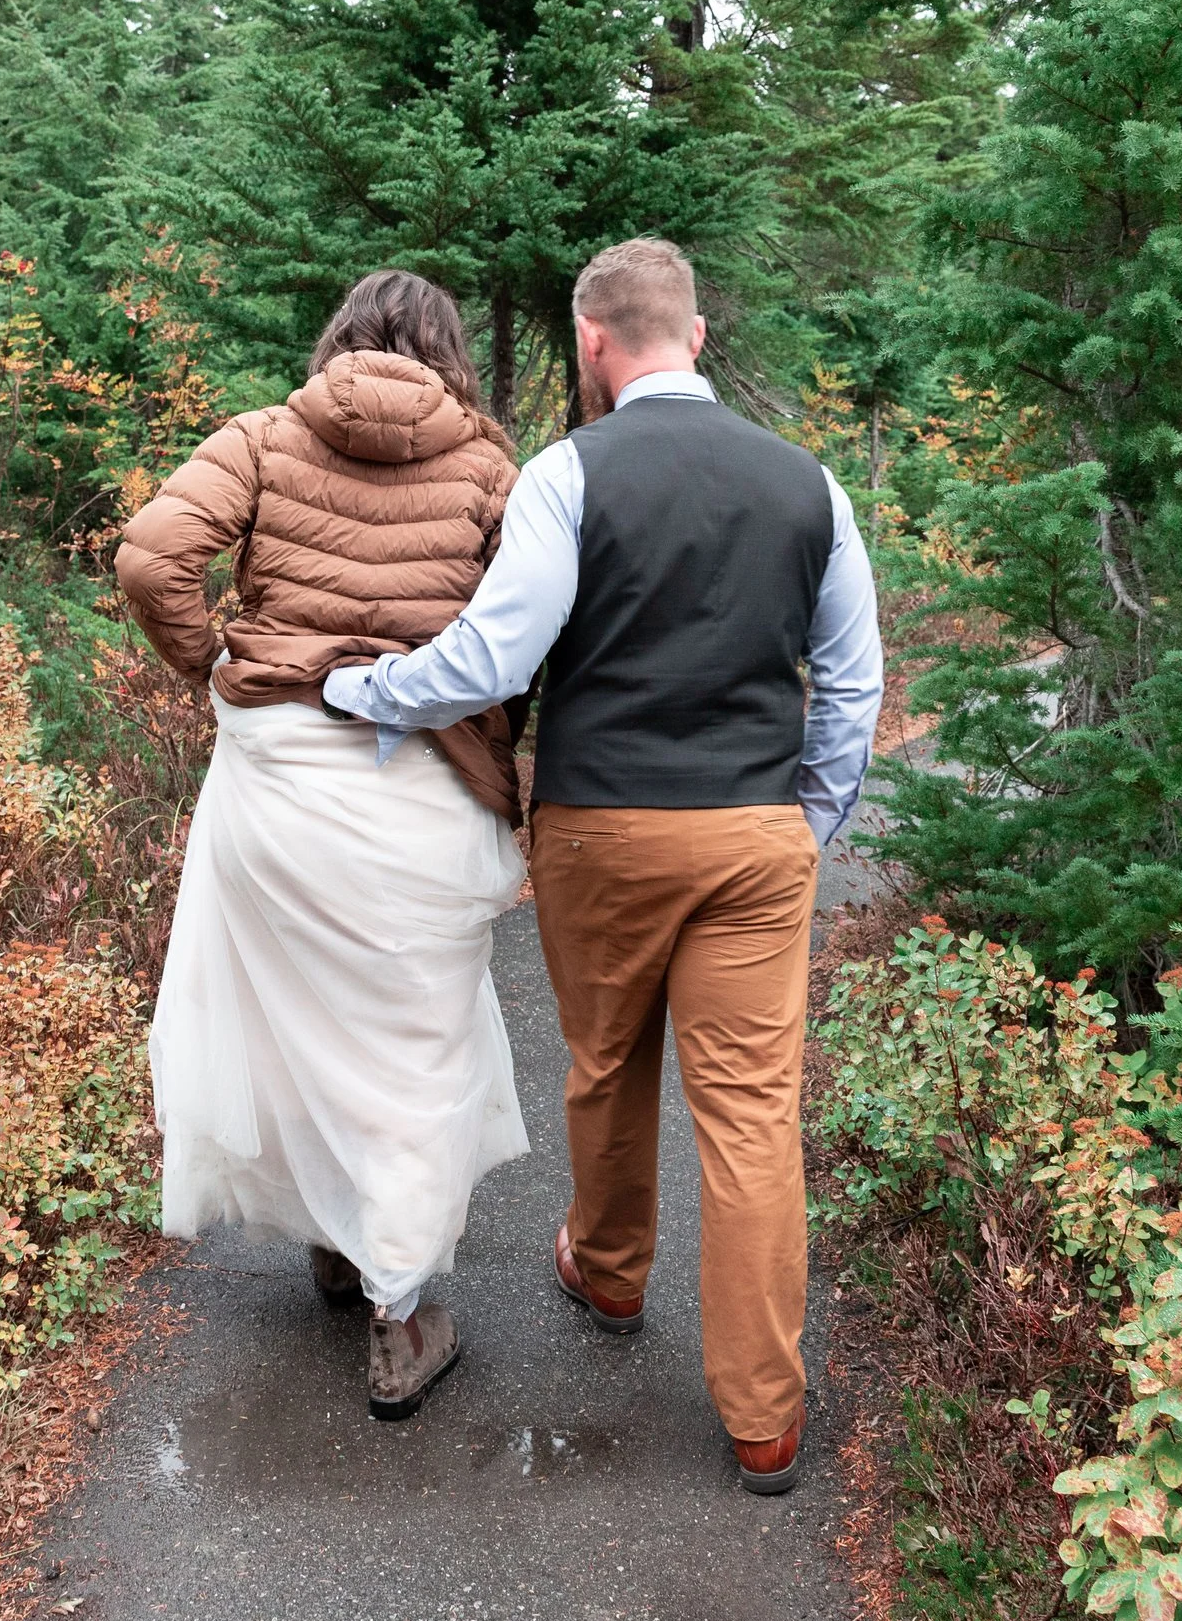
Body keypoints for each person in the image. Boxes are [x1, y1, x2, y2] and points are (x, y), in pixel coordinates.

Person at [324, 238, 883, 1492]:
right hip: (753, 832)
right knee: (749, 1114)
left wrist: (362, 689)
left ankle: (611, 1271)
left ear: (592, 343)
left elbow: (494, 656)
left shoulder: (566, 474)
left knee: (607, 1057)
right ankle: (763, 1418)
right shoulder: (811, 485)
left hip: (601, 827)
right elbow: (852, 680)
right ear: (691, 333)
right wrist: (808, 820)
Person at [116, 270, 529, 1421]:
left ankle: (350, 1248)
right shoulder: (491, 467)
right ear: (448, 349)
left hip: (282, 780)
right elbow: (526, 630)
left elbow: (153, 558)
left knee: (296, 1021)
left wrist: (214, 665)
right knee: (412, 1040)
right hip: (428, 785)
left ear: (338, 339)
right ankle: (400, 1314)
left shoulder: (261, 436)